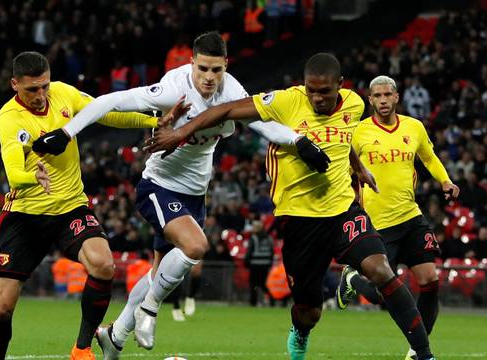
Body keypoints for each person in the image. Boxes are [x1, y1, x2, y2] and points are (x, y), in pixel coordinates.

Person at [32, 32, 318, 358]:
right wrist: (67, 132)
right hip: (159, 185)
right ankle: (149, 310)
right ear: (192, 63)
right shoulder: (174, 87)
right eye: (203, 69)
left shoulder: (233, 92)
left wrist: (298, 141)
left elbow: (264, 123)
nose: (209, 77)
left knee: (159, 272)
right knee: (195, 246)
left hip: (196, 194)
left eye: (216, 70)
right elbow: (111, 101)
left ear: (225, 66)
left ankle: (115, 335)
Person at [145, 53, 437, 360]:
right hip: (300, 222)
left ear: (340, 85)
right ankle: (300, 332)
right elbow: (227, 109)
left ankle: (424, 354)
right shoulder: (284, 101)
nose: (317, 97)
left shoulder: (355, 104)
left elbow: (344, 137)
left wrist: (358, 167)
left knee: (381, 270)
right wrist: (179, 133)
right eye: (311, 89)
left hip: (342, 212)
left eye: (324, 91)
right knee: (308, 312)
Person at [0, 51, 166, 360]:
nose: (41, 95)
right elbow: (14, 174)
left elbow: (106, 112)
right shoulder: (9, 119)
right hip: (25, 216)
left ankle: (81, 349)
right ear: (14, 84)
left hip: (70, 207)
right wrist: (32, 176)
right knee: (2, 309)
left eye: (45, 86)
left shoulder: (64, 93)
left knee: (103, 264)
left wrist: (154, 120)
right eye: (32, 89)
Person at [334, 75, 459, 360]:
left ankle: (417, 350)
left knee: (430, 280)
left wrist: (445, 182)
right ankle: (353, 280)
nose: (383, 100)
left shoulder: (413, 127)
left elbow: (429, 157)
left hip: (410, 217)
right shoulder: (358, 131)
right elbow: (343, 166)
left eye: (387, 95)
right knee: (382, 294)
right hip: (377, 224)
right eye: (377, 96)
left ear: (396, 97)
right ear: (370, 100)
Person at [244, 220, 275, 306]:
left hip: (254, 265)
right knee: (264, 284)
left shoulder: (253, 238)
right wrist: (269, 263)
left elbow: (249, 252)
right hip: (265, 265)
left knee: (253, 285)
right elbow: (272, 252)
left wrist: (246, 263)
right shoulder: (269, 238)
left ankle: (253, 302)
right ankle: (272, 299)